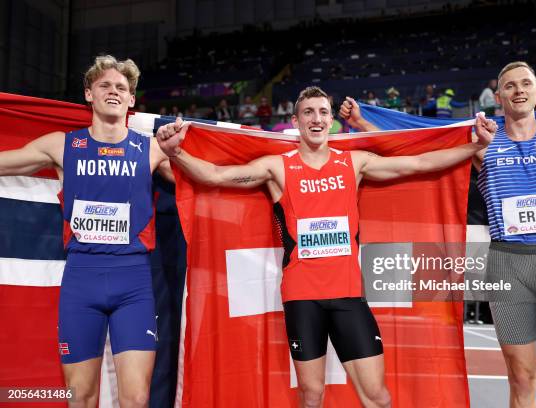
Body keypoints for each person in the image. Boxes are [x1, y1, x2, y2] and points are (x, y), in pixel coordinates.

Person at [156, 86, 496, 408]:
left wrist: (472, 146)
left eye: (322, 112)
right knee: (312, 396)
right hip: (303, 299)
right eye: (308, 112)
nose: (316, 119)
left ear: (331, 118)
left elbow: (419, 164)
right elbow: (216, 175)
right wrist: (176, 152)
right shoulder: (278, 168)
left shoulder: (354, 162)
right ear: (296, 121)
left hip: (348, 296)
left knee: (378, 397)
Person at [348, 61, 536, 408]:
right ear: (498, 97)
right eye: (510, 86)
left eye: (525, 83)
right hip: (507, 269)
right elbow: (416, 151)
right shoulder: (482, 143)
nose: (518, 90)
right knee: (521, 380)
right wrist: (363, 123)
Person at [0, 55, 173, 407]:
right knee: (80, 397)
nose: (113, 91)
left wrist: (180, 152)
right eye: (105, 85)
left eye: (121, 87)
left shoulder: (153, 149)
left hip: (134, 284)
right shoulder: (62, 146)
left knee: (137, 399)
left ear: (131, 100)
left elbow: (205, 180)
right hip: (81, 281)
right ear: (88, 94)